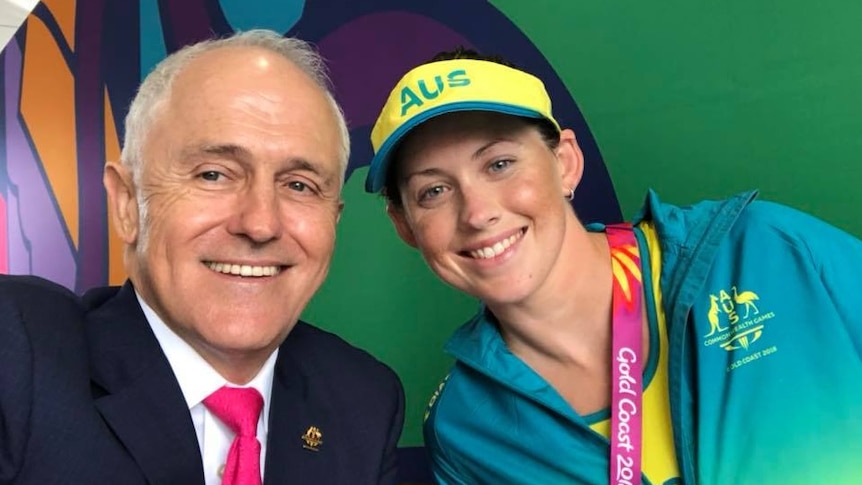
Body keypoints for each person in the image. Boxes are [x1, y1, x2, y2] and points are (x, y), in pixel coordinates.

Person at [364, 48, 862, 484]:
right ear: (405, 226)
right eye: (434, 191)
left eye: (499, 164)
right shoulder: (464, 431)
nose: (477, 212)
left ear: (565, 163)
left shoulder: (765, 250)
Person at [0, 30, 404, 485]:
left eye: (298, 185)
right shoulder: (18, 351)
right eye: (214, 174)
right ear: (128, 204)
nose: (260, 223)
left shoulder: (366, 399)